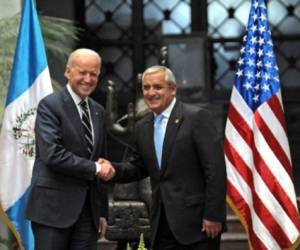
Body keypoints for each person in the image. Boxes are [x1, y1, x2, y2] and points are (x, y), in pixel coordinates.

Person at [102, 65, 227, 250]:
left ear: (173, 89)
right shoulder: (143, 127)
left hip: (198, 225)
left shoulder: (197, 118)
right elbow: (137, 167)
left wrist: (213, 215)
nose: (151, 93)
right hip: (161, 225)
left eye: (157, 87)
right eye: (146, 87)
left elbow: (215, 171)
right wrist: (111, 169)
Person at [25, 48, 115, 250]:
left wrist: (101, 212)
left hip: (88, 215)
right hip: (52, 211)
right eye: (82, 72)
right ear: (68, 72)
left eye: (93, 74)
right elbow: (52, 154)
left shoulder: (98, 111)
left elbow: (101, 159)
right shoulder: (50, 106)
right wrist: (96, 168)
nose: (88, 79)